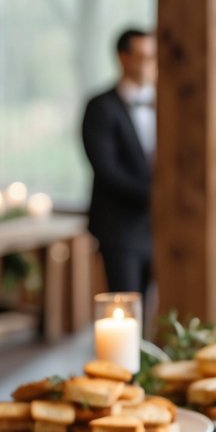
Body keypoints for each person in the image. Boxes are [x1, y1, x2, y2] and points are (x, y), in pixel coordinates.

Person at [81, 27, 156, 302]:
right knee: (125, 305)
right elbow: (107, 169)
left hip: (160, 228)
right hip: (120, 228)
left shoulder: (167, 106)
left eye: (154, 57)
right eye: (144, 56)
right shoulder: (100, 106)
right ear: (123, 58)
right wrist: (157, 196)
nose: (150, 63)